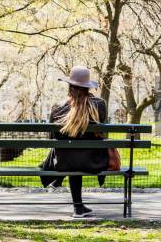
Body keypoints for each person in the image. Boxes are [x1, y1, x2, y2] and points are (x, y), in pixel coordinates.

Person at [40, 66, 108, 218]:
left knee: (71, 153)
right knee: (78, 153)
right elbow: (100, 131)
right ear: (87, 87)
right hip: (93, 161)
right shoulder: (99, 104)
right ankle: (78, 207)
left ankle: (68, 193)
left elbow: (53, 137)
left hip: (64, 161)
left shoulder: (58, 107)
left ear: (69, 86)